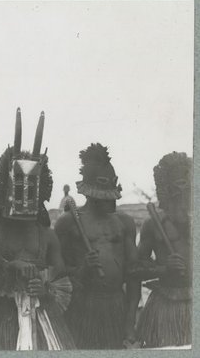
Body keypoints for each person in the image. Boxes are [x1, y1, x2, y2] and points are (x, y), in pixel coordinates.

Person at [0, 109, 75, 350]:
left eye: (32, 186)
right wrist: (8, 266)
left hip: (44, 318)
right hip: (2, 318)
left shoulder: (46, 235)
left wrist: (45, 288)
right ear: (7, 185)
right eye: (18, 185)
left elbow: (61, 278)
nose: (25, 193)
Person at [54, 143, 140, 349]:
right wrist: (82, 269)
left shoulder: (125, 223)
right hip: (83, 307)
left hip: (116, 306)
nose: (111, 200)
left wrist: (129, 324)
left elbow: (134, 275)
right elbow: (56, 274)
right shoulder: (68, 222)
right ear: (90, 191)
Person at [131, 152, 191, 348]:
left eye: (188, 182)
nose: (184, 189)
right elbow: (134, 270)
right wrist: (164, 268)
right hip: (165, 305)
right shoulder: (153, 225)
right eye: (179, 184)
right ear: (166, 188)